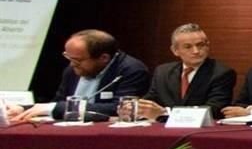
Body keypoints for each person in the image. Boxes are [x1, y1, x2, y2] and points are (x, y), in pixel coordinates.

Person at [7, 29, 149, 122]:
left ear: (104, 58)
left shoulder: (131, 70)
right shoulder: (72, 69)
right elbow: (58, 102)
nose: (72, 64)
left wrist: (53, 109)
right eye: (69, 58)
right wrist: (24, 108)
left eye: (77, 60)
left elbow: (120, 109)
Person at [138, 23, 236, 121]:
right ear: (175, 50)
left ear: (208, 46)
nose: (196, 51)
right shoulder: (163, 72)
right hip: (164, 129)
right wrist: (136, 107)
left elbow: (213, 110)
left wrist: (164, 113)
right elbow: (150, 100)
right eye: (188, 47)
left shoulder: (222, 73)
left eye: (200, 45)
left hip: (200, 131)